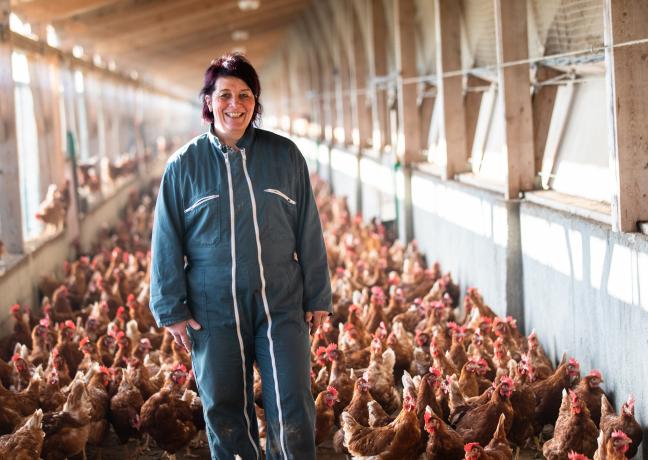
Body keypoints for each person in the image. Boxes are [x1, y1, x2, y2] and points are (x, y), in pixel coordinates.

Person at [149, 53, 332, 460]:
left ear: (256, 101)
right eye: (226, 94)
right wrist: (171, 308)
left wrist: (318, 297)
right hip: (212, 305)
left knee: (292, 404)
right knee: (225, 408)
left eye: (246, 95)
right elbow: (165, 240)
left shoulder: (285, 156)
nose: (236, 104)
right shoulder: (184, 167)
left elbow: (309, 229)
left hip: (281, 301)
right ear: (209, 102)